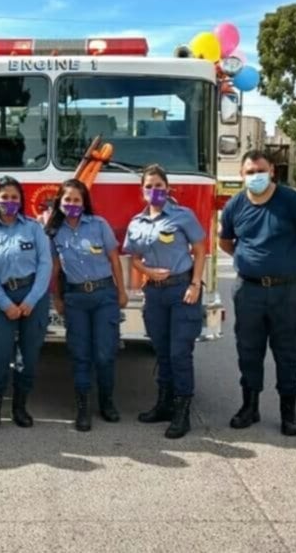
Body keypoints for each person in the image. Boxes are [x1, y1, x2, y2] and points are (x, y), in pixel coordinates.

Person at [218, 150, 296, 437]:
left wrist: (292, 260)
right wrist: (250, 261)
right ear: (242, 175)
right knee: (248, 350)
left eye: (260, 170)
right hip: (248, 290)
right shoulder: (234, 205)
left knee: (287, 351)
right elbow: (226, 242)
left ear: (272, 171)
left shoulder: (291, 201)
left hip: (287, 290)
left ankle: (288, 413)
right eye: (249, 172)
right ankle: (249, 407)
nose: (255, 176)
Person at [123, 164, 206, 440]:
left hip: (182, 290)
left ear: (167, 188)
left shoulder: (183, 216)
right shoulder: (137, 222)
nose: (154, 190)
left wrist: (195, 284)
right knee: (162, 351)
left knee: (180, 353)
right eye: (149, 186)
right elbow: (133, 257)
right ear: (142, 191)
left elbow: (200, 250)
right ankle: (164, 405)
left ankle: (182, 413)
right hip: (155, 293)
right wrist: (147, 272)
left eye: (159, 185)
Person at [47, 179, 128, 432]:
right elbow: (55, 268)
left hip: (104, 295)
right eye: (67, 200)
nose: (72, 204)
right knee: (80, 355)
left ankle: (107, 402)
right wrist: (58, 298)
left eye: (76, 200)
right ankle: (83, 408)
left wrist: (122, 291)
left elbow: (114, 259)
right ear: (60, 202)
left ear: (84, 203)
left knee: (105, 354)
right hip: (75, 299)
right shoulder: (53, 231)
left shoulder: (99, 224)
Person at [0, 177, 52, 435]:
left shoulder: (33, 228)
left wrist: (31, 300)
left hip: (34, 296)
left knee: (27, 359)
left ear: (21, 201)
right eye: (4, 197)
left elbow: (45, 265)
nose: (9, 202)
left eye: (14, 198)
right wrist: (6, 304)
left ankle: (20, 408)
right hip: (3, 298)